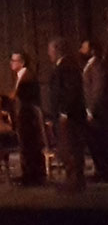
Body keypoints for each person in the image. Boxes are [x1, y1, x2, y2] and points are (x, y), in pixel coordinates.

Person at [49, 37, 86, 192]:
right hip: (65, 116)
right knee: (66, 149)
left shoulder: (67, 66)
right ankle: (73, 180)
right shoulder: (63, 66)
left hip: (69, 117)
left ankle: (75, 182)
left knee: (71, 149)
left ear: (57, 50)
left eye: (50, 50)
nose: (49, 54)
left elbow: (71, 91)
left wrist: (64, 112)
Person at [9, 51, 46, 186]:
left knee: (30, 146)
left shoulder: (27, 77)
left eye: (14, 60)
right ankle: (29, 175)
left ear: (22, 62)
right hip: (25, 115)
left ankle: (32, 176)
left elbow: (25, 97)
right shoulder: (22, 76)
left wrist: (13, 98)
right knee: (27, 146)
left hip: (28, 116)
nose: (11, 63)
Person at [81, 40, 108, 182]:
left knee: (99, 142)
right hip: (92, 112)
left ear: (92, 50)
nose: (80, 50)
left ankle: (103, 172)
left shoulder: (97, 65)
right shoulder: (90, 65)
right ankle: (100, 170)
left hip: (98, 114)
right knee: (94, 142)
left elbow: (98, 89)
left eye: (84, 48)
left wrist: (91, 110)